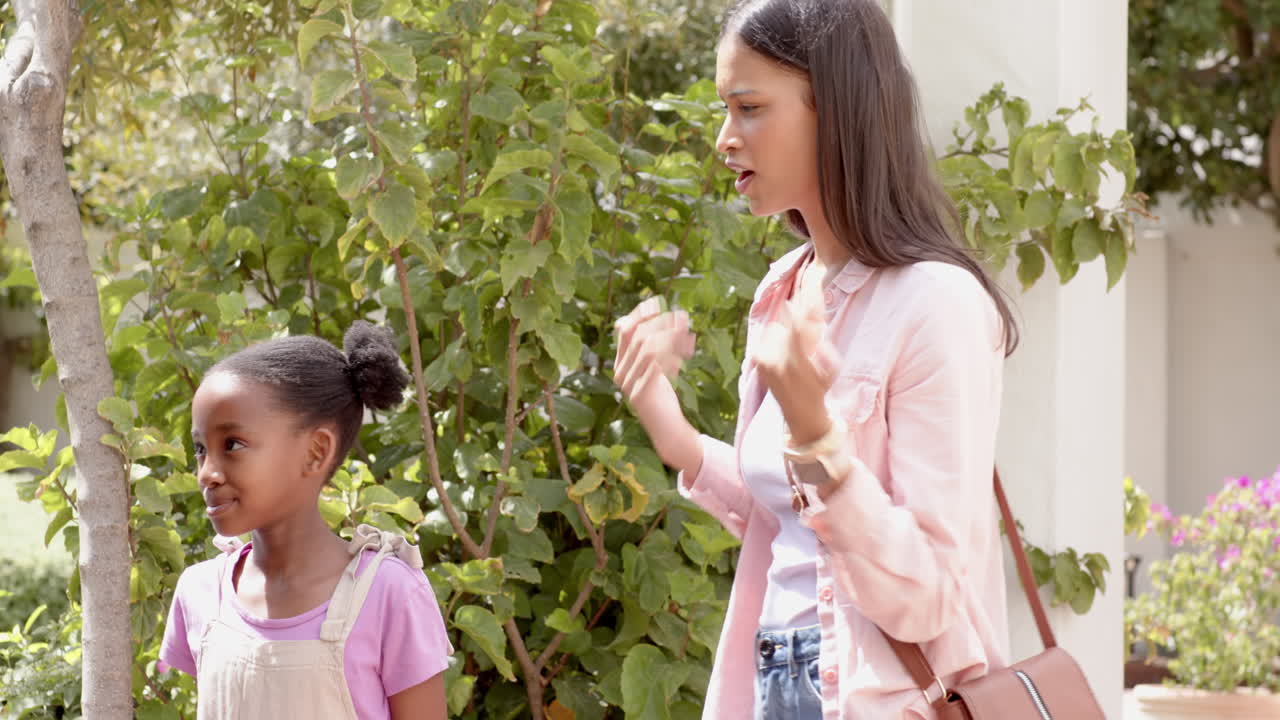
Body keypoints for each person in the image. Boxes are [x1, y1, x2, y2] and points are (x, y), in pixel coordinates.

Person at [613, 1, 1018, 718]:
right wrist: (673, 434)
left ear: (835, 109)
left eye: (749, 108)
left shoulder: (937, 303)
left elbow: (930, 597)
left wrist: (819, 440)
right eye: (724, 109)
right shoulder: (785, 289)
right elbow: (794, 524)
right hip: (777, 683)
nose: (724, 139)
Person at [159, 321, 450, 720]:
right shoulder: (201, 593)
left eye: (233, 445)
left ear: (316, 451)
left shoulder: (388, 595)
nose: (207, 472)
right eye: (200, 449)